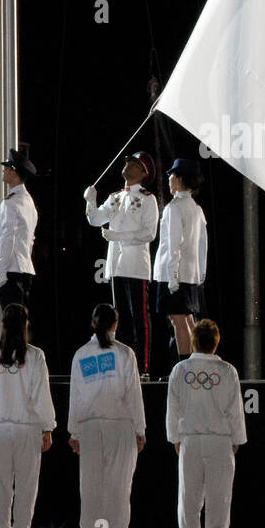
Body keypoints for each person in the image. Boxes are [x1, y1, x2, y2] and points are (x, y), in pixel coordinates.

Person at [0, 303, 56, 528]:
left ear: (2, 324)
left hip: (0, 429)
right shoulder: (35, 356)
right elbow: (41, 394)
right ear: (26, 325)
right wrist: (48, 427)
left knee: (0, 485)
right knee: (26, 485)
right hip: (27, 429)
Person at [68, 304, 146, 528]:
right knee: (118, 484)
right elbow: (133, 393)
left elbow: (76, 396)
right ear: (115, 324)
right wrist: (140, 429)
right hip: (119, 425)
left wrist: (75, 431)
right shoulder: (124, 354)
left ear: (93, 323)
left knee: (92, 483)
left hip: (90, 427)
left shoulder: (82, 354)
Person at [166, 318, 246, 528]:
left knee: (188, 493)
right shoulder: (227, 371)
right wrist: (236, 439)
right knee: (219, 493)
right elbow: (235, 409)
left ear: (193, 342)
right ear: (216, 342)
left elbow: (173, 408)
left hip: (190, 439)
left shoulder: (180, 371)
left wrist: (175, 439)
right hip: (219, 439)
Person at [85, 151, 159, 377]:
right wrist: (90, 200)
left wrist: (118, 236)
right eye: (128, 161)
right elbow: (95, 219)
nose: (128, 165)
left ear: (144, 173)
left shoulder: (148, 199)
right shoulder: (115, 196)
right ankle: (125, 366)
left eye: (135, 164)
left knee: (140, 319)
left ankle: (142, 368)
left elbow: (149, 233)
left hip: (136, 264)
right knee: (120, 319)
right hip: (116, 264)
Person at [153, 159, 207, 360]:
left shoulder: (174, 207)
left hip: (174, 273)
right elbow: (203, 244)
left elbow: (174, 243)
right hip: (190, 272)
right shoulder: (195, 207)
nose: (169, 179)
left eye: (172, 175)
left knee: (178, 320)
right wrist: (201, 273)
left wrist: (172, 275)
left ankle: (184, 364)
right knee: (187, 318)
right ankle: (200, 359)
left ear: (181, 178)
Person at [0, 148, 39, 315]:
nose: (4, 171)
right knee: (21, 321)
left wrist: (0, 271)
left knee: (11, 321)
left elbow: (7, 237)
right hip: (24, 267)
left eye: (7, 168)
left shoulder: (10, 203)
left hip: (10, 269)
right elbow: (30, 239)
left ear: (14, 172)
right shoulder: (28, 202)